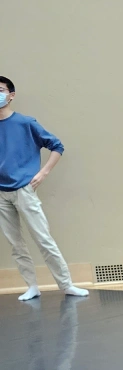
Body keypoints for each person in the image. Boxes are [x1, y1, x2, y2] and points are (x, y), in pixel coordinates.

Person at [0, 76, 89, 301]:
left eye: (0, 90)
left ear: (11, 95)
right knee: (15, 244)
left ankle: (67, 284)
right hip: (1, 194)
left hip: (24, 190)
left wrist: (43, 173)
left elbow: (56, 146)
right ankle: (31, 286)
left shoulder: (25, 123)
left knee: (43, 238)